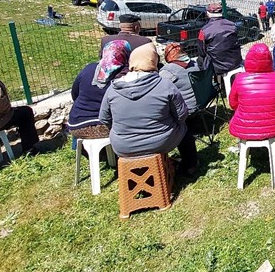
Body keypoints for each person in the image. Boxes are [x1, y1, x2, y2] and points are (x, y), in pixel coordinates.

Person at [99, 44, 199, 176]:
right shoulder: (165, 84)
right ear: (153, 61)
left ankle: (139, 173)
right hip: (161, 142)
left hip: (124, 147)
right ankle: (190, 165)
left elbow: (104, 118)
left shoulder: (113, 89)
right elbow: (182, 114)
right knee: (184, 129)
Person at [67, 40, 132, 140]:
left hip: (76, 124)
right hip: (105, 126)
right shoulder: (125, 75)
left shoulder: (89, 69)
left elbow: (75, 93)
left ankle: (84, 152)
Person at [228, 43, 275, 143]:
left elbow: (232, 104)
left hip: (244, 128)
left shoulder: (239, 78)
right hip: (274, 126)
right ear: (269, 60)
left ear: (248, 59)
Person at [198, 2, 243, 76]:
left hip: (217, 66)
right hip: (235, 62)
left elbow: (201, 51)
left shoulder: (204, 30)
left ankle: (209, 83)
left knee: (200, 60)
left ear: (208, 13)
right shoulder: (232, 25)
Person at [160, 43, 202, 117]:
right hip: (203, 100)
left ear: (170, 56)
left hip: (187, 108)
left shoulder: (169, 71)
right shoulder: (195, 64)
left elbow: (158, 89)